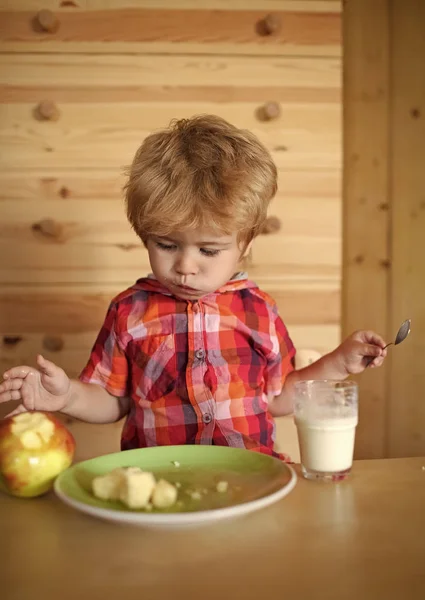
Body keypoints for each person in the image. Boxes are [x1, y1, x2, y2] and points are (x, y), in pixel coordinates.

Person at [0, 115, 387, 460]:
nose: (185, 266)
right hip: (159, 481)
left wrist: (338, 362)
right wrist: (66, 395)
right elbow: (111, 400)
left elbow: (281, 396)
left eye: (209, 249)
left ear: (244, 246)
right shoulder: (129, 311)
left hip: (250, 476)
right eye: (165, 245)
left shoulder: (259, 310)